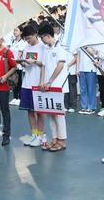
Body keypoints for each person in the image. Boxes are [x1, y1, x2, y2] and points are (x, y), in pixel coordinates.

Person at [38, 22, 68, 151]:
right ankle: (54, 138)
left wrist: (50, 81)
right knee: (50, 113)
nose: (41, 40)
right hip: (47, 85)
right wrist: (41, 81)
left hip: (58, 85)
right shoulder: (46, 49)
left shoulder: (60, 47)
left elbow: (60, 66)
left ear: (47, 35)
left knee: (58, 114)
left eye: (42, 37)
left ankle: (62, 140)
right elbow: (44, 66)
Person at [18, 24, 46, 147]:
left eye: (29, 38)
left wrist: (34, 61)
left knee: (39, 111)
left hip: (38, 83)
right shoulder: (26, 47)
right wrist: (23, 63)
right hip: (27, 83)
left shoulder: (43, 47)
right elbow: (26, 64)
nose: (28, 41)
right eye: (26, 39)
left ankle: (41, 135)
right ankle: (34, 134)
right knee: (29, 111)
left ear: (35, 34)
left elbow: (45, 64)